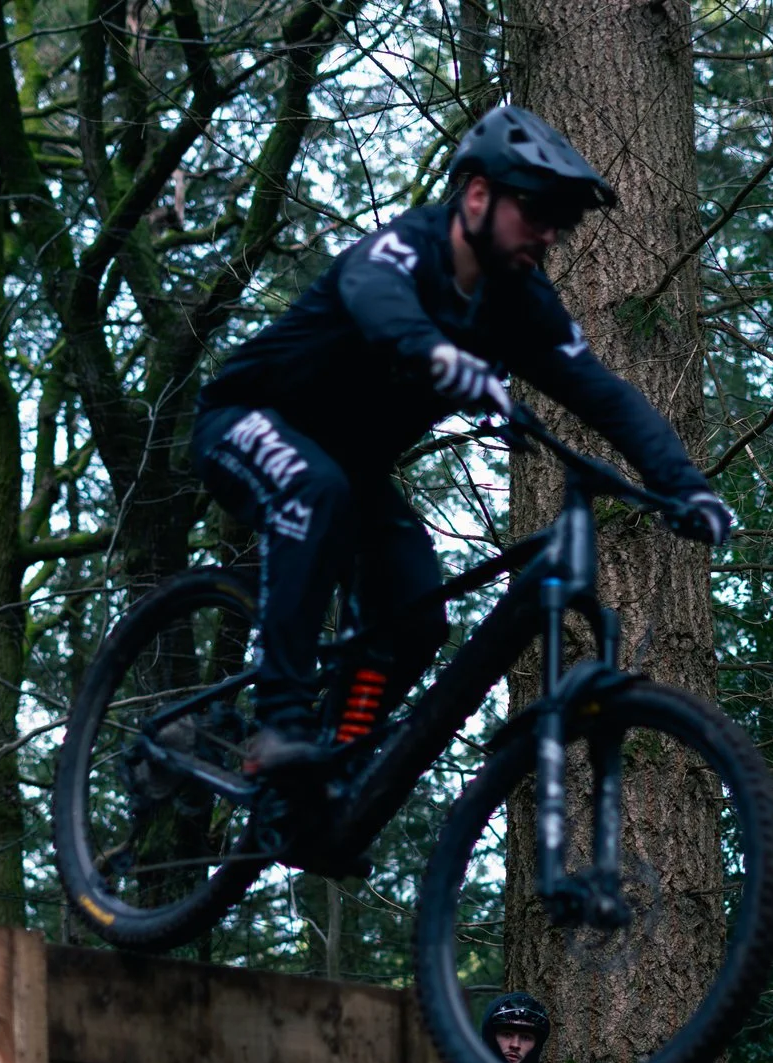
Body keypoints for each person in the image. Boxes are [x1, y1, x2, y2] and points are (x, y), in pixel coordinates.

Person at [191, 103, 736, 775]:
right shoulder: (408, 246)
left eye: (561, 223)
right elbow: (373, 295)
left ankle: (336, 760)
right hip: (247, 418)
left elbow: (604, 395)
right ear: (477, 194)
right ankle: (280, 720)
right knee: (314, 488)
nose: (549, 234)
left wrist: (684, 485)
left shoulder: (521, 303)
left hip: (353, 473)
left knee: (417, 620)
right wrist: (436, 352)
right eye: (536, 212)